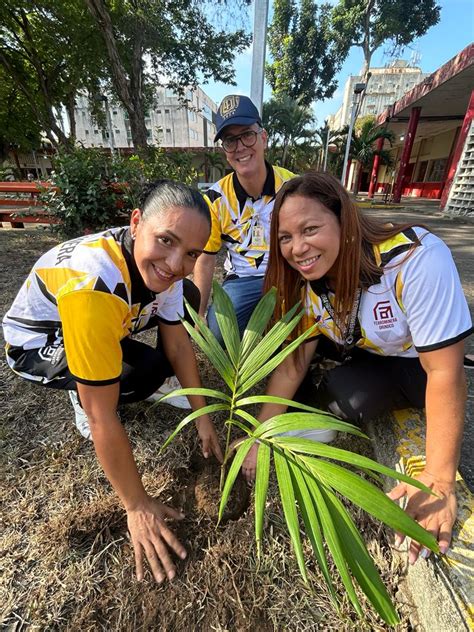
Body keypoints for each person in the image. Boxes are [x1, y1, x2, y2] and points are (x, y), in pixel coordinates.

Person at [241, 171, 472, 564]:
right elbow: (293, 362)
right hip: (365, 347)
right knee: (307, 386)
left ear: (344, 223)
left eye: (310, 229)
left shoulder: (415, 260)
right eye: (285, 237)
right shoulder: (305, 278)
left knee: (354, 399)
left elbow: (446, 372)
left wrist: (438, 478)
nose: (297, 248)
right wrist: (259, 435)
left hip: (415, 363)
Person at [3, 180, 223, 584]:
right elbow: (103, 416)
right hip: (40, 342)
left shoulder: (165, 271)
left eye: (191, 253)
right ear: (136, 222)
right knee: (111, 390)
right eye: (166, 240)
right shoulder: (95, 283)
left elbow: (177, 346)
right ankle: (79, 389)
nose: (176, 263)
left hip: (100, 325)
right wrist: (136, 504)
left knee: (167, 341)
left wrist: (202, 416)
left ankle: (101, 367)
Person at [193, 94, 295, 343]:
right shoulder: (215, 199)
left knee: (300, 332)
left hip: (288, 274)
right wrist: (200, 313)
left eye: (247, 135)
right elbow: (205, 260)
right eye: (230, 140)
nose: (240, 147)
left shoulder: (293, 187)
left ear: (263, 137)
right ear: (225, 150)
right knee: (218, 335)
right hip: (242, 280)